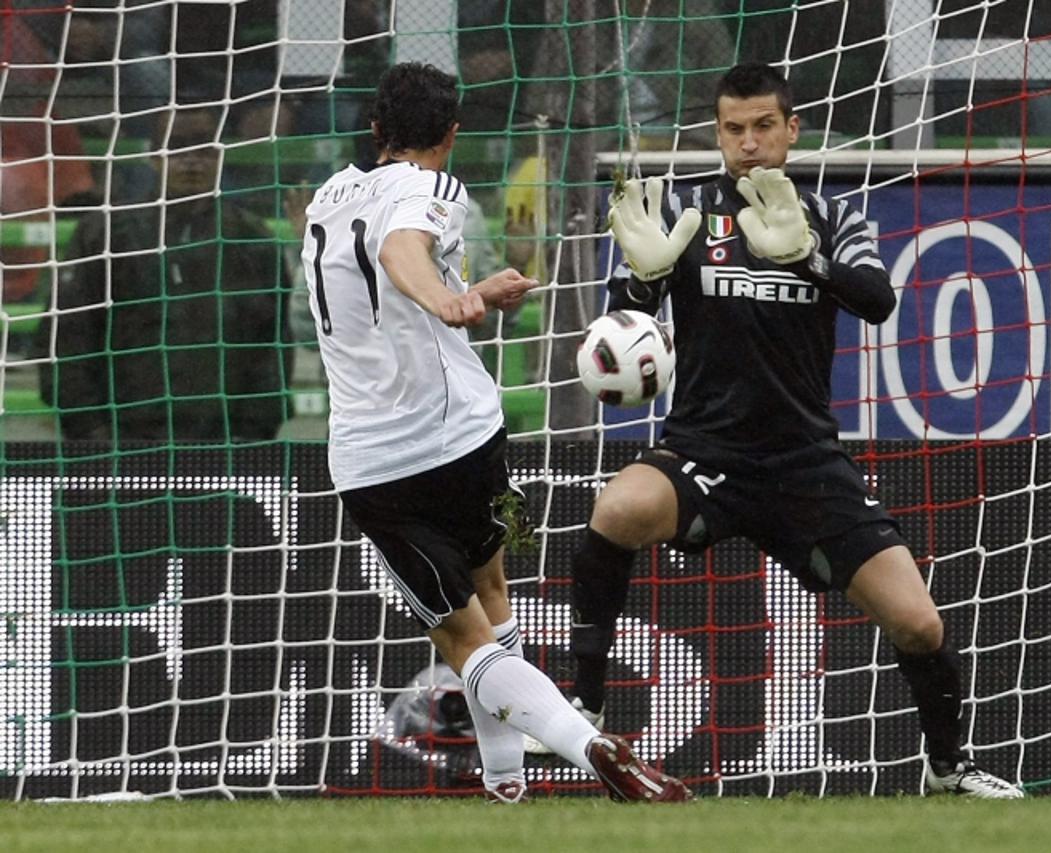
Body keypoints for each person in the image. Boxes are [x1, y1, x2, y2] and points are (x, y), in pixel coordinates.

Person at [559, 62, 1024, 798]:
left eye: (763, 127)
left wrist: (805, 258)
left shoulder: (833, 218)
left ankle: (948, 769)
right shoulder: (681, 212)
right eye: (733, 129)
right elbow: (625, 326)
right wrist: (642, 277)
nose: (748, 143)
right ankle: (584, 708)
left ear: (791, 129)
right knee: (616, 509)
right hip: (704, 450)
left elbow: (877, 300)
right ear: (718, 133)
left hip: (805, 461)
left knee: (919, 625)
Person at [300, 61, 690, 804]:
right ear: (452, 134)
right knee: (492, 592)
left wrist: (468, 293)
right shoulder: (434, 186)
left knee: (462, 636)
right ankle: (567, 753)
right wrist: (449, 301)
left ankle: (515, 779)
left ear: (376, 129)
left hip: (373, 464)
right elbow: (400, 251)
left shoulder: (327, 198)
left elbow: (376, 290)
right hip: (464, 438)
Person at [37, 107, 292, 442]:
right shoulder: (104, 234)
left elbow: (273, 344)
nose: (191, 161)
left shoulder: (251, 238)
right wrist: (91, 432)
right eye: (178, 148)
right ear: (154, 157)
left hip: (226, 443)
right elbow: (66, 337)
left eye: (204, 149)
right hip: (118, 442)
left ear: (220, 156)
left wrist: (253, 434)